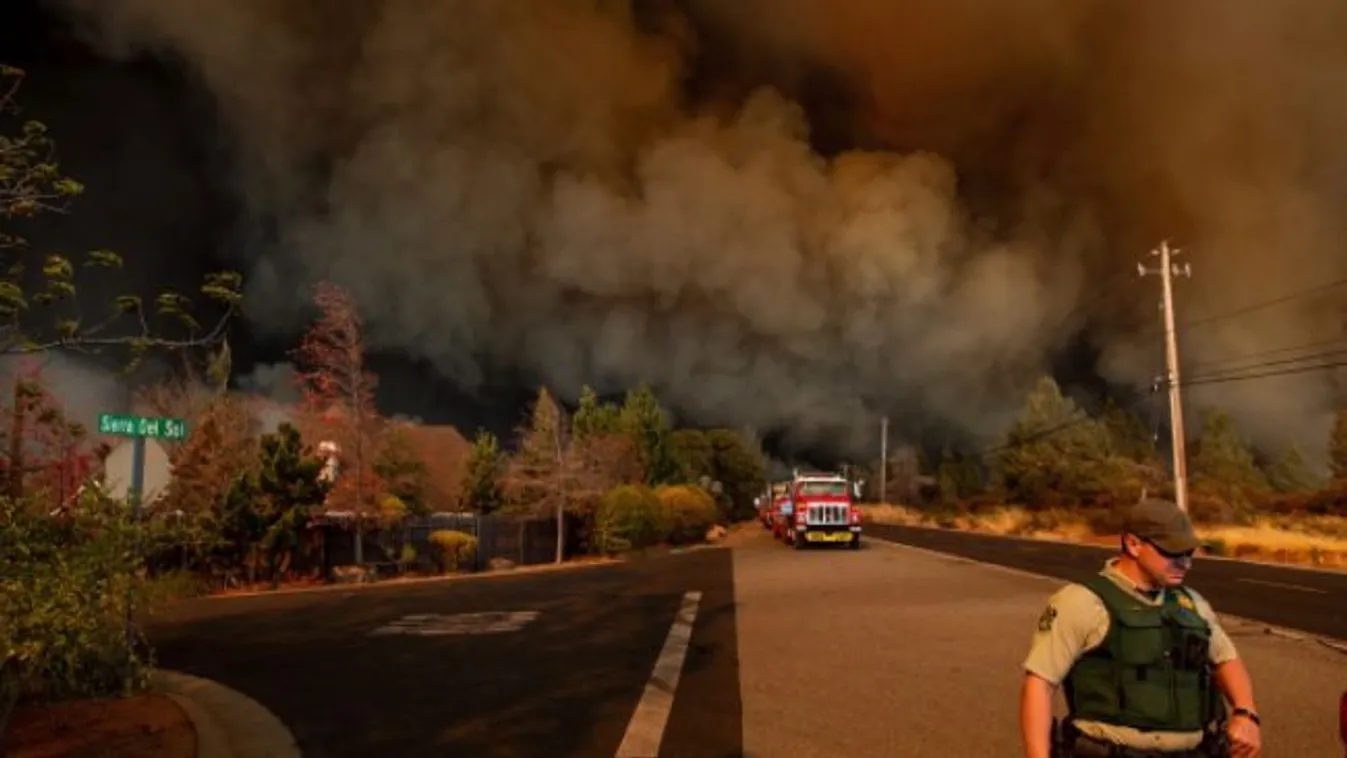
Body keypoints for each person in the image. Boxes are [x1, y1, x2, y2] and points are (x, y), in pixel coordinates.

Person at [1019, 497, 1262, 757]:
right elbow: (1040, 685)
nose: (1185, 564)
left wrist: (1246, 713)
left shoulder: (1191, 604)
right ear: (1133, 544)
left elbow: (1226, 659)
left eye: (1188, 553)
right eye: (1171, 553)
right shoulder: (1083, 601)